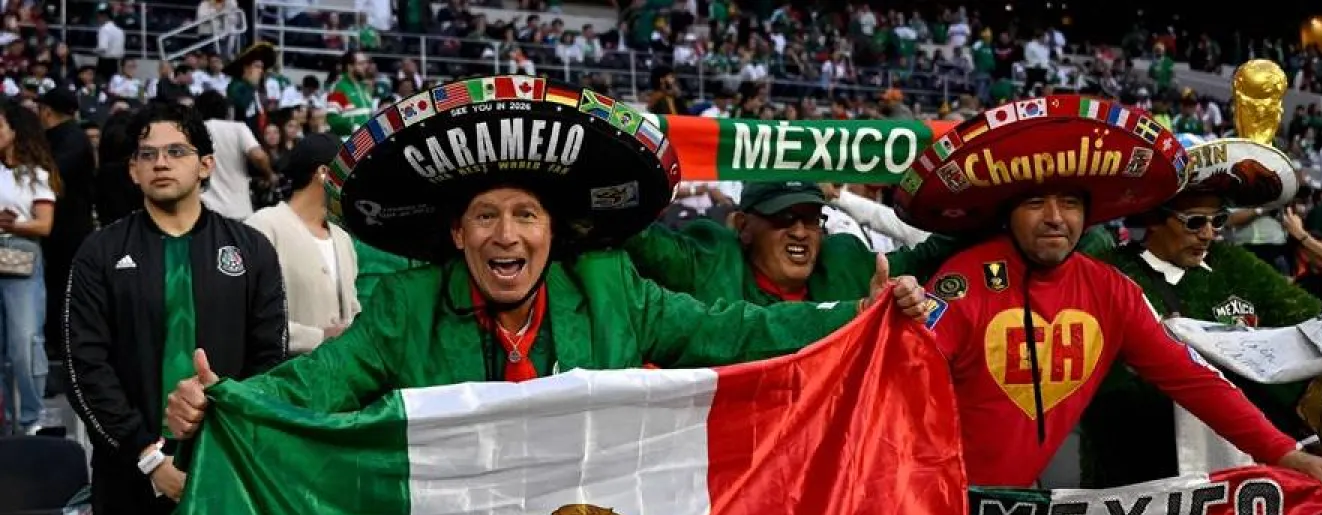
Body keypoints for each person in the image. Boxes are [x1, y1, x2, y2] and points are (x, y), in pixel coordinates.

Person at [165, 78, 928, 434]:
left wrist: (851, 319)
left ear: (554, 231)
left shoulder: (610, 287)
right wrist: (221, 403)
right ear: (456, 233)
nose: (507, 235)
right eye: (486, 216)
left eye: (526, 214)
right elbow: (317, 382)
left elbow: (736, 330)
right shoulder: (407, 309)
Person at [892, 93, 1322, 490]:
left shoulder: (1109, 291)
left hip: (1012, 506)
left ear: (1088, 214)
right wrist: (893, 312)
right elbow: (901, 384)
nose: (1054, 218)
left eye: (1069, 203)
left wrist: (1282, 452)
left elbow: (1194, 380)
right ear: (1008, 214)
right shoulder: (967, 278)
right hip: (928, 497)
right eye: (1035, 203)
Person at [63, 101, 287, 515]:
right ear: (133, 171)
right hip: (130, 478)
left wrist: (225, 438)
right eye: (147, 154)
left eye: (176, 151)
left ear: (207, 164)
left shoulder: (250, 250)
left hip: (226, 474)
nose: (161, 163)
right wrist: (148, 456)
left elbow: (270, 362)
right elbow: (86, 368)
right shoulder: (100, 254)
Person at [1082, 131, 1322, 486]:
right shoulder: (1109, 275)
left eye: (1219, 221)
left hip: (1240, 466)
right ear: (1152, 219)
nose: (1209, 234)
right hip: (1138, 470)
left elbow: (1314, 322)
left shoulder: (1236, 264)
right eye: (1195, 221)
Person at [623, 179, 961, 306]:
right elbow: (641, 241)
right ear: (744, 226)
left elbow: (929, 256)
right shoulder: (708, 259)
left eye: (811, 219)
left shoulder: (845, 261)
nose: (800, 232)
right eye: (782, 218)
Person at [247, 133, 358, 354]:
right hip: (284, 378)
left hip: (340, 377)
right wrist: (318, 337)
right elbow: (246, 316)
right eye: (349, 171)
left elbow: (353, 309)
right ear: (324, 173)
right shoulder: (264, 226)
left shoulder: (342, 237)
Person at [0, 101, 59, 435]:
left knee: (24, 342)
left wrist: (13, 226)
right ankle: (5, 422)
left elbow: (44, 225)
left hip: (22, 258)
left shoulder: (35, 174)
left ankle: (32, 417)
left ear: (14, 132)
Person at [37, 87, 95, 371]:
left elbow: (53, 176)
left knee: (62, 288)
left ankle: (61, 347)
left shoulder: (73, 138)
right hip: (55, 227)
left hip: (68, 229)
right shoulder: (62, 137)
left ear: (47, 111)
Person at [195, 89, 272, 221]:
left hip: (206, 211)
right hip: (240, 211)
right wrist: (269, 175)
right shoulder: (238, 128)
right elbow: (259, 156)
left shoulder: (195, 131)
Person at [225, 40, 276, 135]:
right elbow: (242, 105)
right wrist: (251, 85)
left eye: (262, 68)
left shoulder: (260, 88)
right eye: (257, 66)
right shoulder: (235, 85)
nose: (261, 71)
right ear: (246, 68)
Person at [324, 49, 376, 138]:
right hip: (349, 142)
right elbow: (332, 119)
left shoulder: (364, 87)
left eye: (366, 63)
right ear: (350, 67)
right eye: (361, 64)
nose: (366, 66)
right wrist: (354, 128)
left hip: (367, 141)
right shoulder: (339, 87)